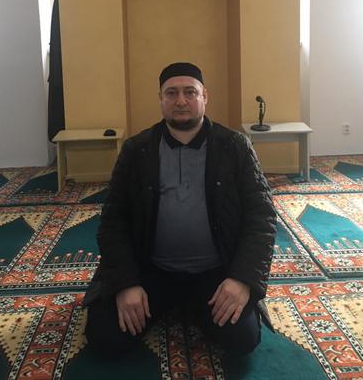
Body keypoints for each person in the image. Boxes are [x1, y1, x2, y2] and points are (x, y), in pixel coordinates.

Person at [84, 62, 277, 357]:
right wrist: (126, 283)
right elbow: (113, 221)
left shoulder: (234, 146)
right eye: (171, 93)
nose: (181, 101)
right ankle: (173, 304)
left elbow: (261, 217)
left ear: (205, 97)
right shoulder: (137, 150)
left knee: (242, 339)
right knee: (104, 336)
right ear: (161, 99)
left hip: (215, 271)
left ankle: (193, 304)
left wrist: (242, 280)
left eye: (190, 92)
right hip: (151, 269)